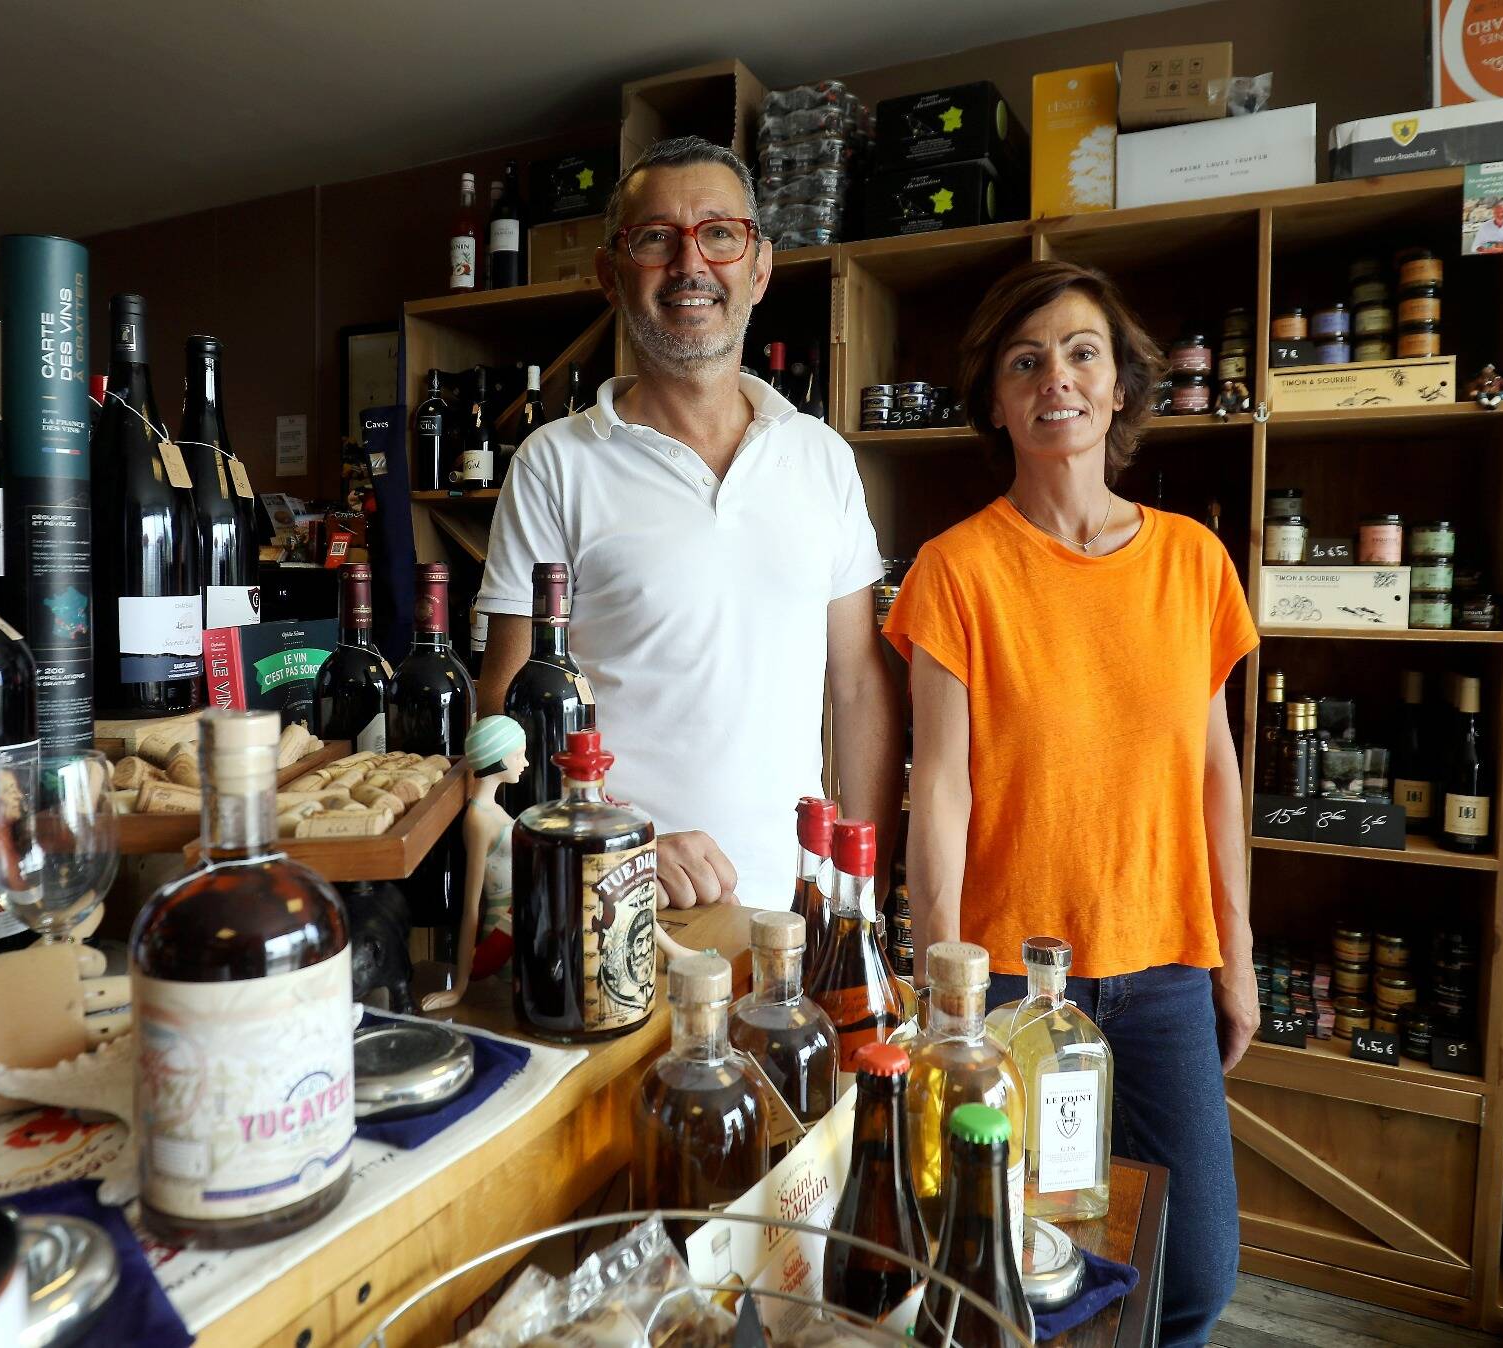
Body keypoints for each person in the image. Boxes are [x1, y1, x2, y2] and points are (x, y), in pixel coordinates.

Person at [882, 260, 1257, 1346]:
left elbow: (1214, 774)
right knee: (1015, 1273)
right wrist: (942, 989)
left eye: (1082, 352)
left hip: (1164, 968)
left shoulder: (1193, 562)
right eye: (1025, 360)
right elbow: (937, 789)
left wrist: (1235, 954)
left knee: (1194, 1275)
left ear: (1120, 386)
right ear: (996, 403)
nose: (1057, 377)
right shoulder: (956, 570)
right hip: (1009, 981)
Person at [475, 136, 901, 911]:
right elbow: (507, 707)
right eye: (654, 239)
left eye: (720, 233)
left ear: (759, 268)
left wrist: (856, 895)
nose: (689, 263)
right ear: (611, 274)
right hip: (618, 902)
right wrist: (613, 843)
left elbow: (860, 688)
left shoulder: (822, 457)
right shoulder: (555, 463)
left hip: (794, 912)